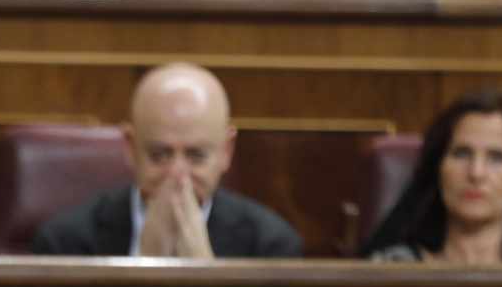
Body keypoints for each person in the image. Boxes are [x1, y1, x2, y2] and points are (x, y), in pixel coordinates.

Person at [30, 63, 301, 260]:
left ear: (226, 151)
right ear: (130, 147)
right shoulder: (64, 243)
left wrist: (207, 275)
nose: (177, 175)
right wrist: (140, 265)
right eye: (160, 155)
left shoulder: (270, 247)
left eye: (196, 156)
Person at [363, 87, 502, 263]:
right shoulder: (388, 271)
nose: (476, 173)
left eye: (497, 158)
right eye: (461, 154)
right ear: (438, 167)